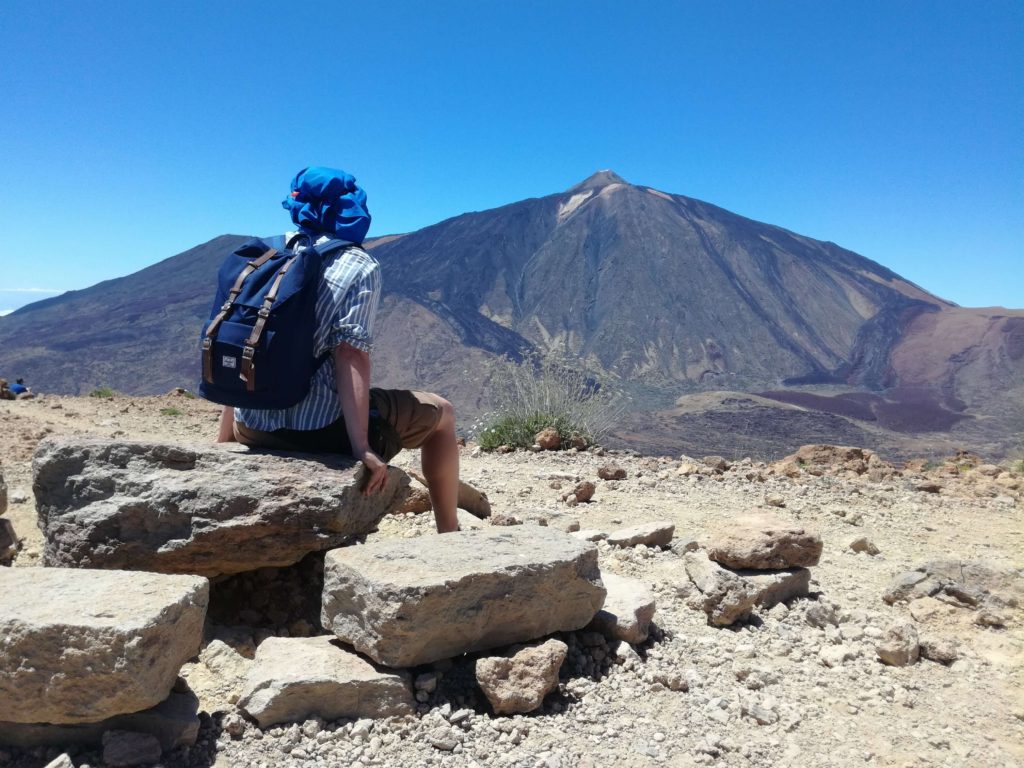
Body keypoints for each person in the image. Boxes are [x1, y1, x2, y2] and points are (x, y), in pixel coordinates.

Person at [217, 167, 460, 534]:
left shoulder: (259, 257)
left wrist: (228, 438)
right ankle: (449, 533)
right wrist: (361, 447)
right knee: (442, 413)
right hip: (322, 432)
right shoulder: (358, 265)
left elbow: (240, 345)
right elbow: (351, 355)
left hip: (251, 428)